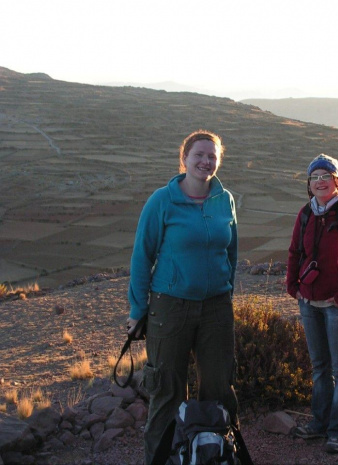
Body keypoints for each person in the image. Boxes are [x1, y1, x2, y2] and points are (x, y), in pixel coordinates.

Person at [126, 130, 238, 465]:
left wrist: (225, 292)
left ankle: (213, 456)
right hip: (169, 308)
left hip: (217, 308)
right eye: (199, 155)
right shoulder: (162, 201)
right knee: (167, 392)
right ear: (184, 158)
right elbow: (141, 257)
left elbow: (230, 252)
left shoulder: (225, 199)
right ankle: (161, 459)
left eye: (212, 156)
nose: (206, 162)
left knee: (219, 388)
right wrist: (138, 310)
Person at [286, 154, 338, 453]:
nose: (320, 181)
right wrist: (293, 287)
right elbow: (295, 252)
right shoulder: (306, 213)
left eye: (325, 175)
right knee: (320, 366)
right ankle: (319, 423)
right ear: (309, 184)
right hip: (309, 302)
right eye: (314, 177)